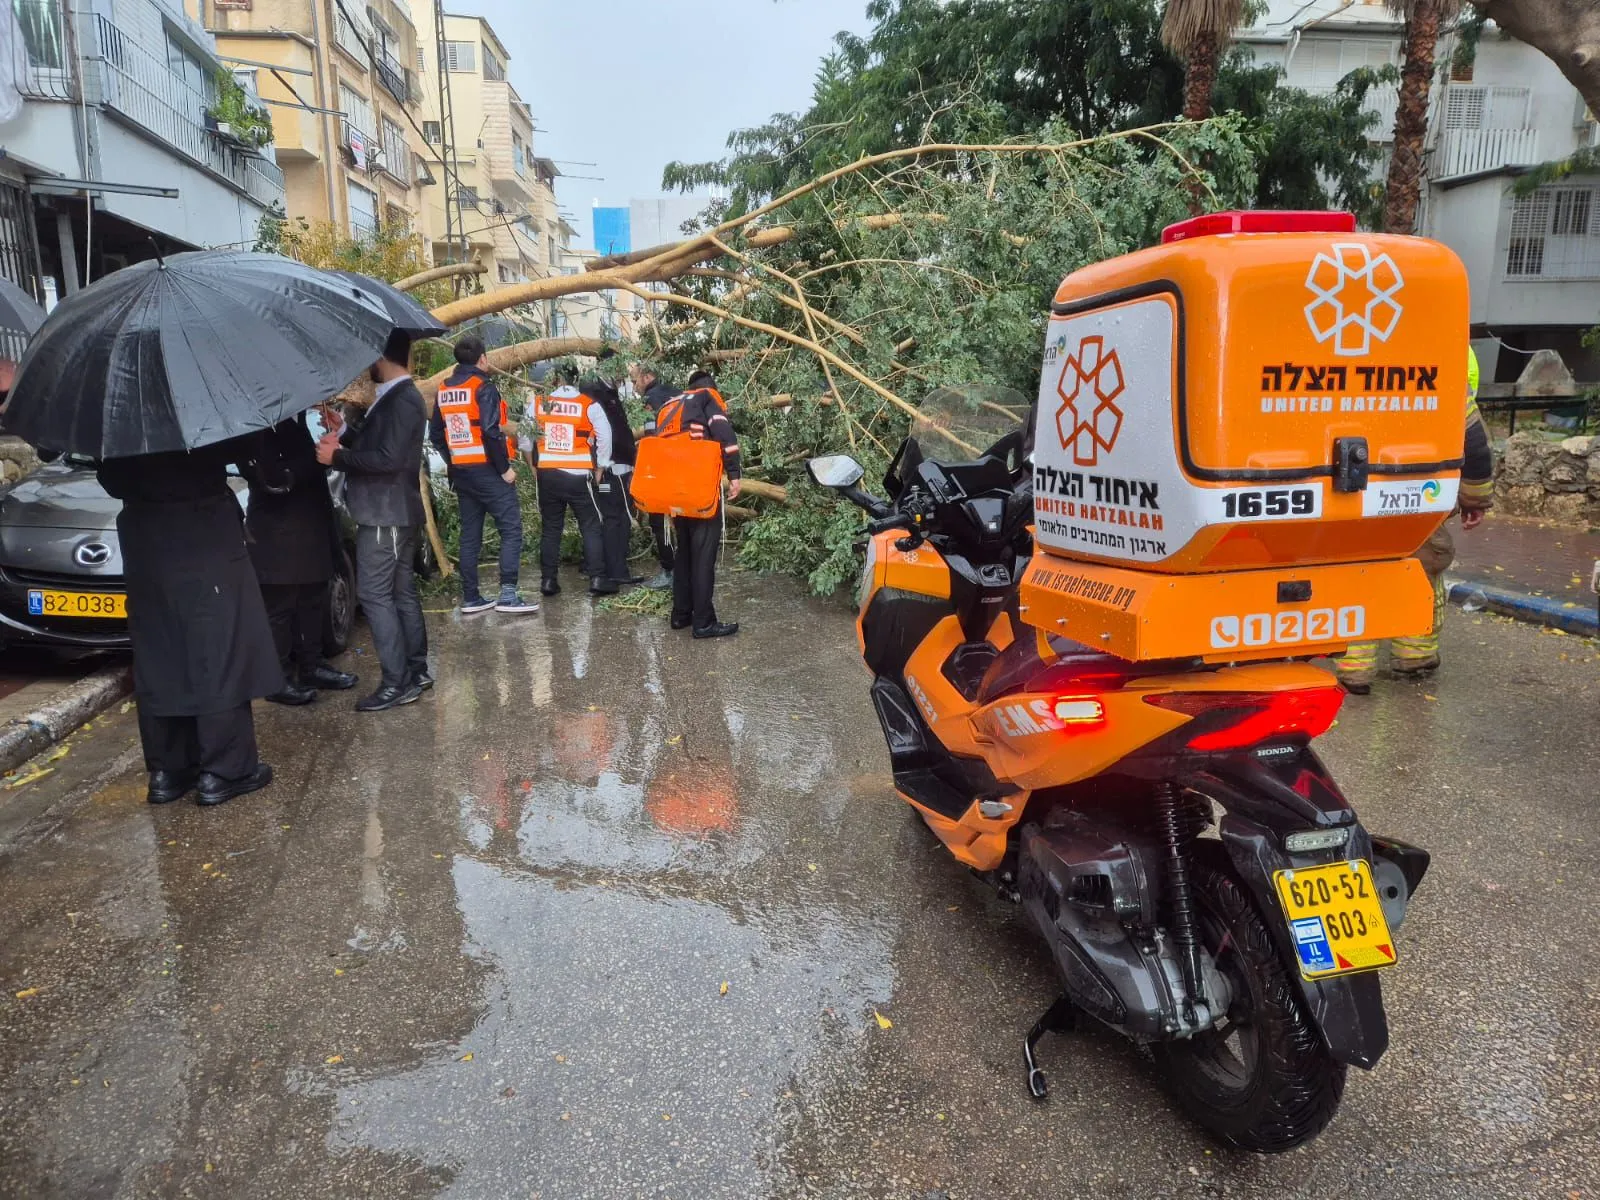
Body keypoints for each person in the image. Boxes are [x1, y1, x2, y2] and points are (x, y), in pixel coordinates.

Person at [98, 439, 280, 807]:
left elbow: (110, 478)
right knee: (217, 650)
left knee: (160, 653)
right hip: (204, 535)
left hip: (146, 542)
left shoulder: (122, 415)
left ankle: (168, 770)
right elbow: (246, 451)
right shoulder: (195, 409)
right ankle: (224, 771)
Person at [1335, 346, 1495, 693]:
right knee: (1423, 568)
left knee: (1355, 576)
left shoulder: (1346, 366)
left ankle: (1355, 670)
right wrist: (1475, 499)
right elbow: (1476, 447)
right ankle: (1414, 658)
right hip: (1419, 498)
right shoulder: (1447, 370)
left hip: (1353, 494)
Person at [317, 330, 430, 712]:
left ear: (381, 357)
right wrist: (345, 432)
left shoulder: (402, 400)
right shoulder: (396, 398)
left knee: (375, 595)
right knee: (399, 594)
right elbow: (378, 447)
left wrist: (336, 459)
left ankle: (397, 683)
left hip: (386, 515)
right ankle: (416, 671)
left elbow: (387, 460)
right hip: (392, 513)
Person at [241, 414, 359, 706]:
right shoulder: (257, 425)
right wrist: (319, 459)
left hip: (310, 528)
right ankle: (277, 679)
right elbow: (272, 478)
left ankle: (312, 666)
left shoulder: (294, 419)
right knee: (280, 609)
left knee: (312, 600)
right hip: (278, 535)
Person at [429, 335, 537, 615]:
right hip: (488, 470)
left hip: (462, 472)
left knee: (469, 535)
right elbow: (490, 431)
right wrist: (505, 469)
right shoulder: (482, 387)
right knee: (511, 528)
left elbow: (436, 434)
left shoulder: (443, 389)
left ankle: (471, 597)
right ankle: (509, 595)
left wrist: (452, 461)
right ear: (482, 359)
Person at [656, 370, 742, 638]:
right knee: (703, 556)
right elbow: (725, 436)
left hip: (674, 491)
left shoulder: (669, 407)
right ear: (710, 387)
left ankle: (681, 615)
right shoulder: (708, 398)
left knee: (684, 553)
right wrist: (735, 475)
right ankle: (703, 622)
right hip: (700, 489)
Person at [533, 371, 614, 596]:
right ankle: (597, 578)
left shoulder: (540, 403)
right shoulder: (588, 405)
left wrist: (534, 465)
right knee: (590, 526)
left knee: (550, 529)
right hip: (579, 475)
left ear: (555, 380)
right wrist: (600, 467)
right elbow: (605, 437)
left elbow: (523, 436)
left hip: (548, 473)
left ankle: (548, 581)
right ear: (576, 379)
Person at [584, 376, 645, 587]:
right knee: (615, 519)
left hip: (618, 468)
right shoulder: (600, 401)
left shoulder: (607, 399)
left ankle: (616, 568)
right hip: (612, 469)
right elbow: (605, 436)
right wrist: (601, 466)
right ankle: (616, 570)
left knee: (619, 519)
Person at [627, 362, 677, 589]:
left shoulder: (650, 401)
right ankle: (685, 570)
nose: (633, 385)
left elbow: (651, 437)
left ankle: (669, 572)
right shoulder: (677, 393)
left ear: (646, 377)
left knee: (659, 521)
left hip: (662, 468)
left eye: (634, 379)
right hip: (685, 466)